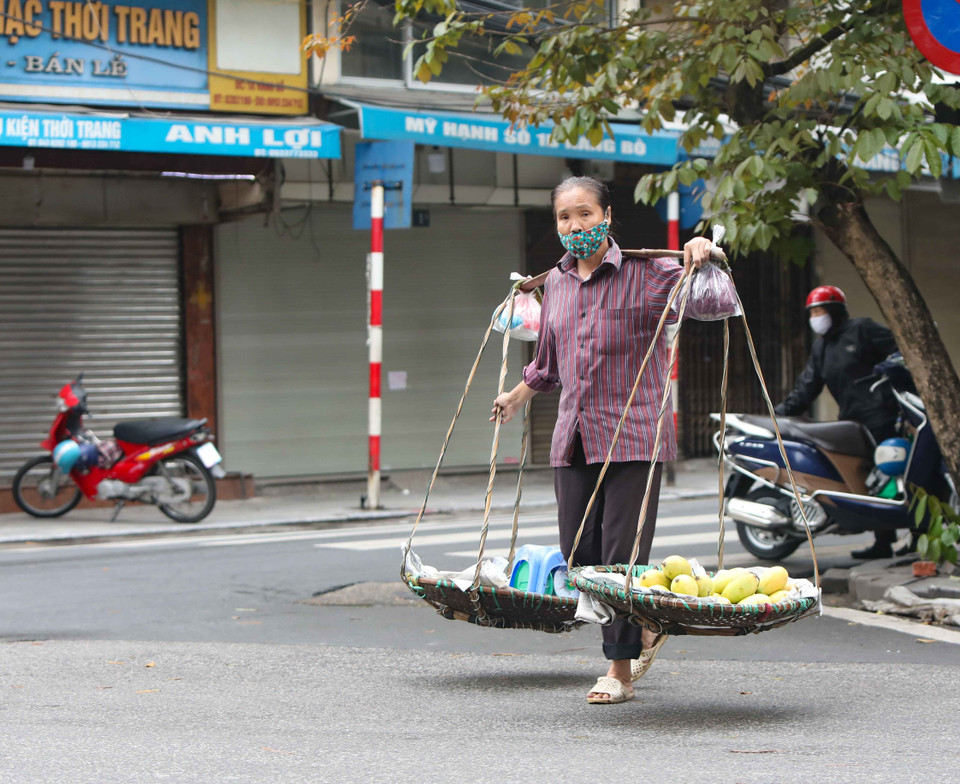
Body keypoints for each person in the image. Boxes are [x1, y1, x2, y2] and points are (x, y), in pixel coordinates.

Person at [491, 176, 720, 705]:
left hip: (635, 434)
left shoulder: (651, 273)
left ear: (607, 216)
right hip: (572, 435)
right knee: (580, 556)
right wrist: (515, 396)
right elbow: (548, 364)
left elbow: (705, 291)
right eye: (564, 217)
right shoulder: (558, 285)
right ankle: (641, 625)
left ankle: (618, 670)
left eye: (584, 214)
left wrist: (703, 254)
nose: (575, 226)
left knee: (620, 559)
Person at [774, 285, 901, 559]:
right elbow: (807, 386)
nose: (816, 317)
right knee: (863, 480)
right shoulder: (822, 347)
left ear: (835, 311)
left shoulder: (862, 329)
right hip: (850, 422)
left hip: (882, 416)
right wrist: (780, 413)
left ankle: (915, 532)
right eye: (813, 312)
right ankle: (883, 540)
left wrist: (888, 371)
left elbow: (899, 350)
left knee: (895, 474)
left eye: (820, 311)